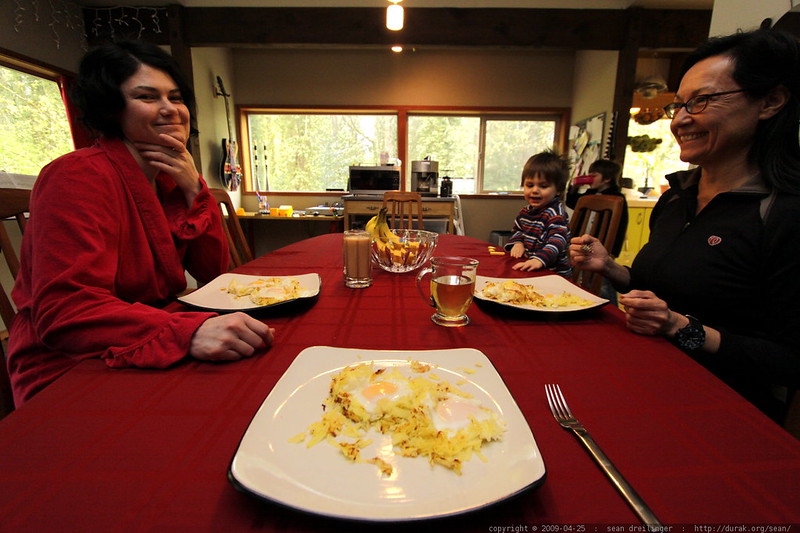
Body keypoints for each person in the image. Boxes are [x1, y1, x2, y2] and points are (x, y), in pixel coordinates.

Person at [7, 40, 275, 406]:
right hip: (70, 361)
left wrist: (192, 190)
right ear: (112, 109)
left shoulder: (167, 180)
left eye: (176, 97)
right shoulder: (76, 176)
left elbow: (213, 272)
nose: (170, 110)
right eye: (148, 97)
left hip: (153, 332)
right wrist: (188, 332)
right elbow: (67, 310)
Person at [569, 28, 800, 422]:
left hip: (720, 408)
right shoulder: (678, 196)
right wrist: (612, 269)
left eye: (702, 101)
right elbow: (656, 290)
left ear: (771, 101)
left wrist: (682, 327)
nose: (679, 120)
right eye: (677, 105)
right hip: (641, 373)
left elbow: (789, 360)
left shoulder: (785, 212)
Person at [504, 150, 572, 276]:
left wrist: (538, 260)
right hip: (533, 269)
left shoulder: (556, 214)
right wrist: (518, 243)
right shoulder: (525, 212)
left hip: (554, 275)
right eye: (530, 185)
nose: (535, 190)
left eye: (543, 186)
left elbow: (557, 240)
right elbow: (518, 230)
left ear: (558, 190)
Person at [565, 158, 629, 258]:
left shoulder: (617, 198)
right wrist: (575, 186)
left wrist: (614, 252)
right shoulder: (590, 193)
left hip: (602, 245)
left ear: (607, 179)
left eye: (594, 176)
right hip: (581, 242)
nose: (590, 179)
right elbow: (571, 202)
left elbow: (621, 225)